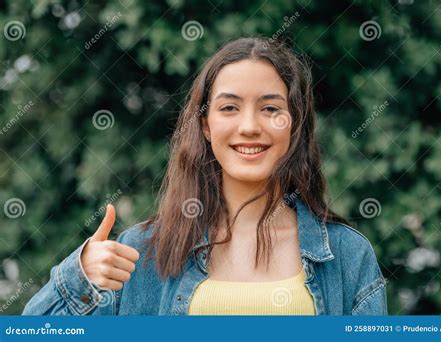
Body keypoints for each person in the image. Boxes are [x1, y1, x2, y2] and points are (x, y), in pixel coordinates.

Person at [23, 37, 387, 315]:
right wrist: (80, 275)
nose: (249, 126)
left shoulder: (348, 257)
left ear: (293, 124)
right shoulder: (140, 255)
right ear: (206, 126)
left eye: (270, 108)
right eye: (229, 107)